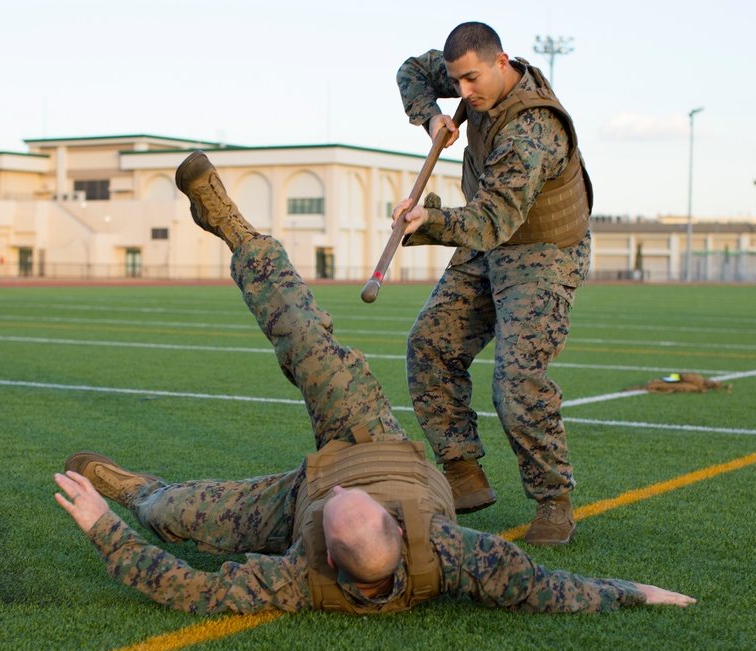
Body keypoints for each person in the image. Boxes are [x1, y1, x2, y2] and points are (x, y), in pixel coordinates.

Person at [53, 150, 695, 615]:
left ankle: (139, 492)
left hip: (295, 498)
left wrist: (103, 524)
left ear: (323, 554)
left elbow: (189, 589)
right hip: (370, 438)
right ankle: (234, 229)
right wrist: (634, 592)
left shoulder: (299, 575)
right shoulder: (454, 551)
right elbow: (552, 588)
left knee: (170, 515)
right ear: (394, 523)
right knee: (306, 339)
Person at [393, 22, 593, 545]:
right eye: (456, 82)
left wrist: (428, 223)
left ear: (502, 62)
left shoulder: (533, 132)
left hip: (541, 252)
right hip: (490, 245)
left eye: (472, 80)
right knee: (429, 345)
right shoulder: (469, 76)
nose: (465, 92)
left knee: (516, 380)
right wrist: (431, 116)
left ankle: (553, 501)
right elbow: (412, 70)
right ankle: (463, 473)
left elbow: (489, 221)